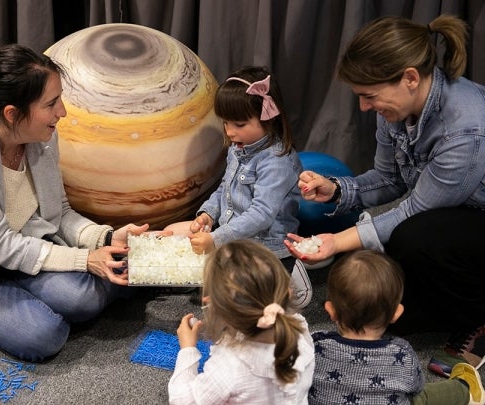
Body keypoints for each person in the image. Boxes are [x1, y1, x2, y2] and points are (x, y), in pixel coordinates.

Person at [0, 43, 149, 362]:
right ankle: (134, 272)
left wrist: (106, 238)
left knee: (80, 299)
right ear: (13, 113)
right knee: (42, 335)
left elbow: (60, 214)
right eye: (52, 103)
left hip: (29, 248)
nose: (63, 112)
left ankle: (133, 267)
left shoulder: (40, 135)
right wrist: (86, 261)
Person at [283, 14, 485, 369]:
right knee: (378, 295)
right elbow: (388, 179)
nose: (364, 107)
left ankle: (478, 318)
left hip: (470, 219)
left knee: (412, 238)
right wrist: (334, 190)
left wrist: (333, 241)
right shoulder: (397, 107)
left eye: (369, 96)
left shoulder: (466, 129)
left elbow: (414, 210)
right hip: (456, 216)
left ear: (409, 78)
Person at [164, 66, 311, 309]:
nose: (230, 131)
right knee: (172, 231)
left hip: (265, 247)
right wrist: (207, 214)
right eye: (226, 123)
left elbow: (261, 215)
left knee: (234, 302)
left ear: (269, 117)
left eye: (239, 124)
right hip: (232, 236)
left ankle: (288, 274)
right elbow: (224, 188)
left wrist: (215, 238)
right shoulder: (238, 148)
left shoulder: (276, 161)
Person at [310, 249, 484, 405]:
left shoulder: (313, 346)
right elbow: (415, 387)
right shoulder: (401, 353)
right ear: (396, 313)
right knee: (420, 397)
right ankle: (465, 390)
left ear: (330, 310)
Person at [168, 240, 314, 404]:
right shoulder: (299, 325)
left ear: (215, 307)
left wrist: (187, 350)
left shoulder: (229, 365)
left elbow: (182, 401)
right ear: (286, 292)